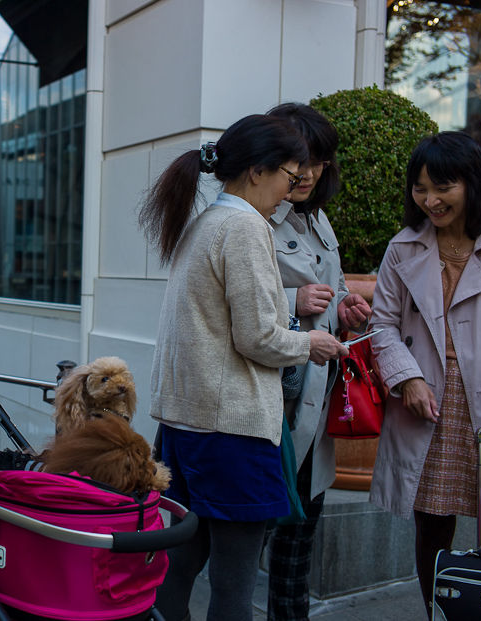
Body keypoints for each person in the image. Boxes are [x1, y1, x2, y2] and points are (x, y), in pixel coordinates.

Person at [140, 114, 347, 621]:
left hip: (187, 424)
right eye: (288, 176)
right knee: (234, 584)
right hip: (230, 429)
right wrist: (310, 342)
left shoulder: (208, 221)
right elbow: (257, 337)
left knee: (180, 564)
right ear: (257, 171)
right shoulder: (245, 226)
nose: (291, 190)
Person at [369, 131, 481, 616]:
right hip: (428, 405)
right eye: (420, 187)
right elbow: (381, 323)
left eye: (442, 186)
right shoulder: (401, 250)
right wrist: (406, 377)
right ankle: (440, 613)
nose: (429, 199)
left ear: (471, 183)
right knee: (432, 528)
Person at [264, 103, 371, 620]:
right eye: (296, 159)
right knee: (241, 543)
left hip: (314, 407)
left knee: (297, 548)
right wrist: (292, 304)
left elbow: (332, 287)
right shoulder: (250, 216)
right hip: (270, 411)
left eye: (318, 160)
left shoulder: (318, 217)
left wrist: (347, 305)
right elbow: (215, 302)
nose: (306, 172)